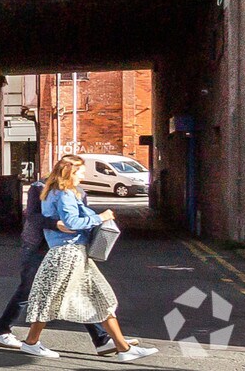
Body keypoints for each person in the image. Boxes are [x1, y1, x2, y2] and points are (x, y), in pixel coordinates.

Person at [14, 155, 155, 361]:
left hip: (72, 253)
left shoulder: (53, 192)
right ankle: (31, 343)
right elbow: (71, 222)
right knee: (50, 299)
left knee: (99, 297)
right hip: (68, 253)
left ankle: (123, 348)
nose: (84, 174)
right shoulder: (64, 194)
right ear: (70, 172)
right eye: (80, 171)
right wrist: (101, 217)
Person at [0, 155, 109, 354]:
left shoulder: (78, 190)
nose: (84, 175)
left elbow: (81, 216)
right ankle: (2, 331)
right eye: (80, 171)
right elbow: (32, 216)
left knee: (80, 290)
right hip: (38, 246)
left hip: (66, 249)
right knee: (29, 290)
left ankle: (103, 340)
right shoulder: (40, 187)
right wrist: (55, 224)